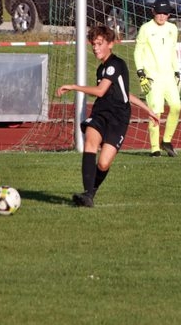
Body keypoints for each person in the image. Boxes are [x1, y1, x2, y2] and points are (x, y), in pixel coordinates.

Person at [57, 24, 160, 207]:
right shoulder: (101, 69)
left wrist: (73, 86)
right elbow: (118, 92)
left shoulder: (115, 64)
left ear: (110, 44)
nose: (95, 48)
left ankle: (90, 193)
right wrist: (148, 109)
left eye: (99, 44)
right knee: (90, 142)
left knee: (104, 164)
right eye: (93, 44)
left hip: (119, 118)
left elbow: (102, 91)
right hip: (101, 113)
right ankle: (87, 195)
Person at [134, 0, 181, 157]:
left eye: (165, 13)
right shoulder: (145, 28)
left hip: (169, 77)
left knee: (176, 106)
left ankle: (166, 141)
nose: (162, 16)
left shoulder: (172, 29)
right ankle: (154, 148)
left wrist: (177, 72)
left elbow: (173, 51)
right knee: (156, 112)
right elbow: (138, 51)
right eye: (159, 13)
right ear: (153, 12)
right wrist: (140, 73)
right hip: (152, 77)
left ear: (169, 14)